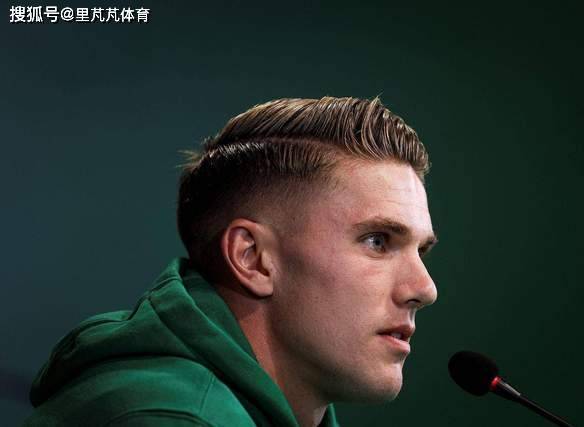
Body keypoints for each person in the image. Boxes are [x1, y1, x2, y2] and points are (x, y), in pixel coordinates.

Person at [24, 97, 438, 427]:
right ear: (252, 258)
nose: (424, 289)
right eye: (377, 241)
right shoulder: (173, 419)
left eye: (421, 250)